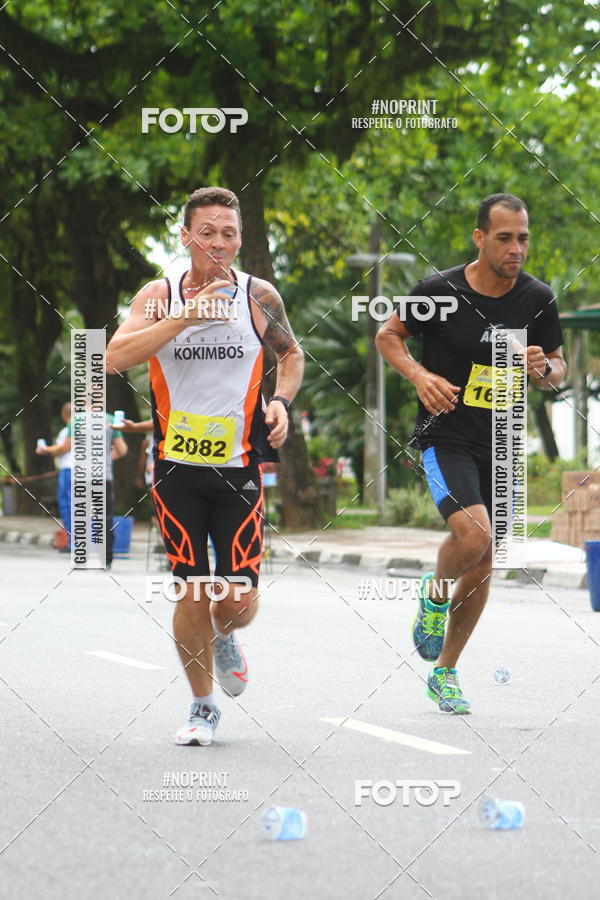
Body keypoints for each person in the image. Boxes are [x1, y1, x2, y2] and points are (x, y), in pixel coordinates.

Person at [106, 186, 304, 746]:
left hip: (239, 468)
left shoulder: (259, 294)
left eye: (230, 234)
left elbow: (291, 355)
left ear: (239, 239)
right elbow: (115, 357)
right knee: (191, 592)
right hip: (175, 471)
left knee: (236, 602)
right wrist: (185, 318)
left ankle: (225, 635)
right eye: (208, 232)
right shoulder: (158, 294)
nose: (219, 243)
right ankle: (201, 705)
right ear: (187, 236)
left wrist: (281, 402)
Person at [376, 193, 566, 714]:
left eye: (523, 237)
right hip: (447, 435)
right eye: (504, 237)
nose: (516, 248)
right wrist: (419, 375)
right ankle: (434, 593)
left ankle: (446, 673)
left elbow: (557, 368)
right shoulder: (438, 291)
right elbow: (388, 334)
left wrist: (542, 369)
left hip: (503, 441)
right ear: (479, 238)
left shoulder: (538, 298)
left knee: (484, 563)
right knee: (473, 534)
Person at [36, 401, 72, 551]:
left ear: (63, 416)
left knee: (68, 507)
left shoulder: (68, 430)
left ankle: (74, 542)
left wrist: (45, 449)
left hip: (69, 471)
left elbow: (63, 448)